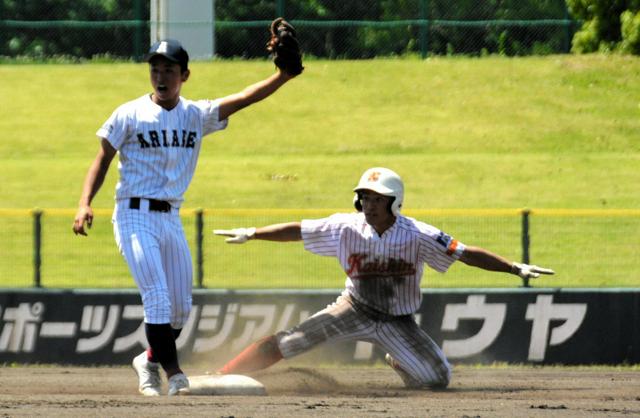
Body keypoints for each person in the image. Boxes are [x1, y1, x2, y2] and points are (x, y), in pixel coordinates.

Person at [72, 29, 302, 396]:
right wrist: (85, 202)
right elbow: (103, 158)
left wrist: (282, 77)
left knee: (179, 310)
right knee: (158, 298)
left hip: (169, 218)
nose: (161, 76)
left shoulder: (196, 114)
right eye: (155, 69)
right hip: (133, 213)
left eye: (169, 69)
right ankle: (174, 373)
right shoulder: (129, 113)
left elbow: (243, 98)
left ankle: (147, 359)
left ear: (184, 75)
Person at [213, 167, 554, 389]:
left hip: (397, 322)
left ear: (395, 202)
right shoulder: (346, 225)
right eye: (364, 197)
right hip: (353, 309)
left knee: (438, 379)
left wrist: (513, 267)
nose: (370, 204)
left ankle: (398, 358)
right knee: (289, 341)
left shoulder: (419, 234)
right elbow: (298, 230)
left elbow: (465, 253)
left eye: (378, 198)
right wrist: (252, 232)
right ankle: (224, 374)